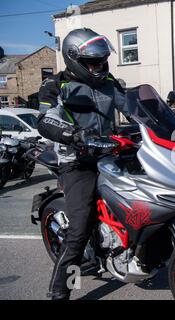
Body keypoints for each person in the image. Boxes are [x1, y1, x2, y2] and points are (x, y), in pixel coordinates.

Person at [37, 28, 129, 300]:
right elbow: (45, 119)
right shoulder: (55, 85)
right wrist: (73, 135)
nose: (99, 66)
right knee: (80, 228)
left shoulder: (109, 80)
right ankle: (60, 292)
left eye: (102, 59)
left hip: (110, 153)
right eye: (93, 61)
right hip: (78, 161)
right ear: (74, 58)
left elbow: (133, 107)